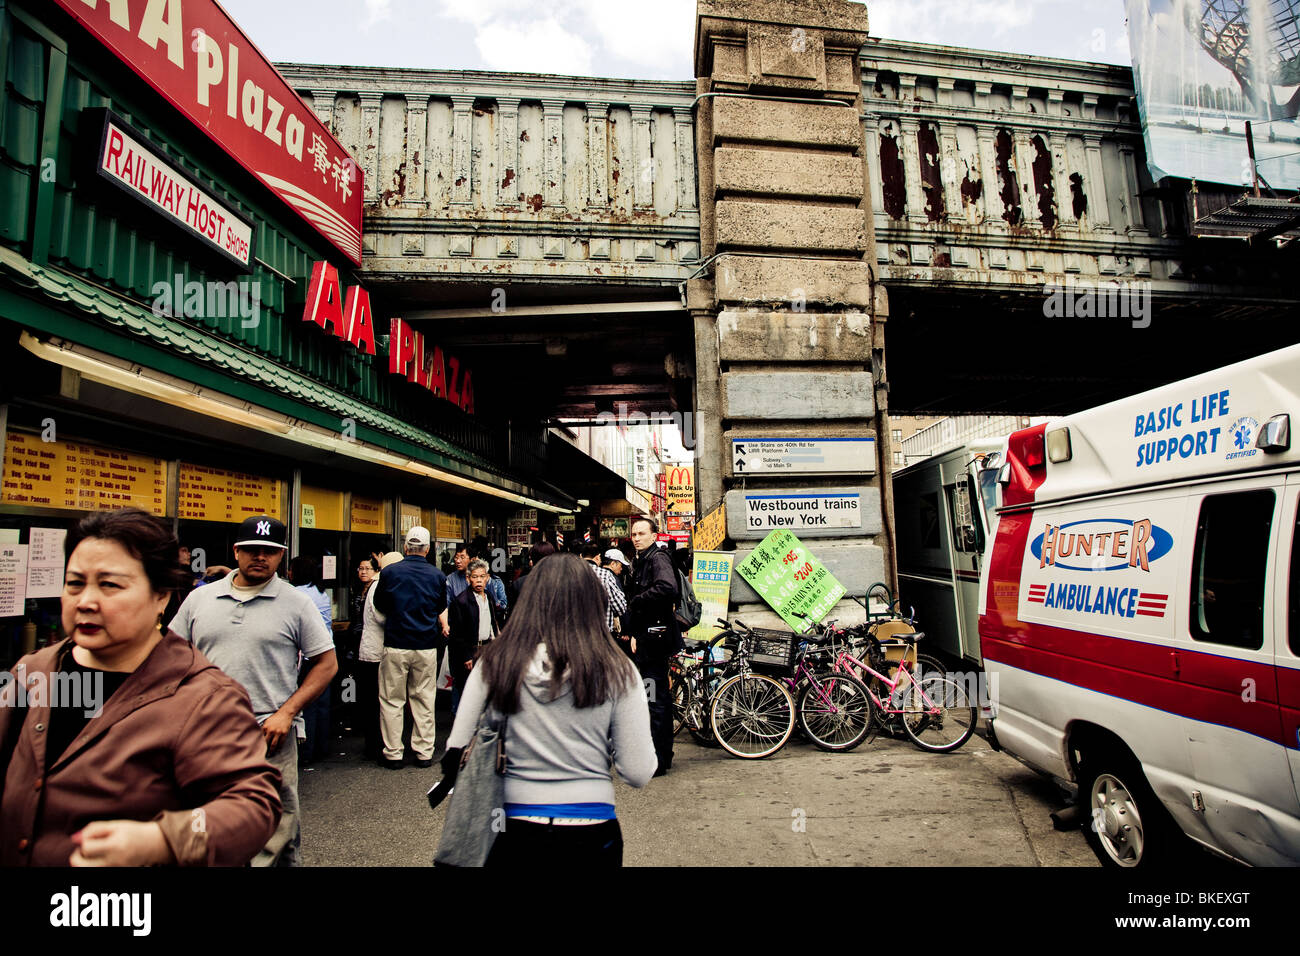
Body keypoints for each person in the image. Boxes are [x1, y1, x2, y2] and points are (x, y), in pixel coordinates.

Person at [0, 508, 281, 866]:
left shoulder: (204, 697)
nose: (85, 600)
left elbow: (253, 804)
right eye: (74, 583)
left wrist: (161, 839)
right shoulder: (33, 671)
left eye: (110, 585)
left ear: (161, 596)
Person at [442, 553, 657, 867]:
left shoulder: (494, 662)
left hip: (510, 826)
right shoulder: (618, 669)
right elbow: (638, 772)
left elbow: (456, 750)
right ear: (592, 602)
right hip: (594, 829)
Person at [169, 514, 337, 867]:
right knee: (209, 822)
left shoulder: (296, 603)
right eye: (251, 549)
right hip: (207, 732)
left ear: (281, 556)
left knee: (276, 829)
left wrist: (287, 713)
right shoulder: (200, 600)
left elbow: (327, 664)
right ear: (236, 552)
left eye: (269, 551)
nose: (259, 556)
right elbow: (169, 658)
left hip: (270, 731)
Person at [372, 526, 447, 769]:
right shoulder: (437, 576)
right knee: (424, 698)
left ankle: (393, 753)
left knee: (392, 700)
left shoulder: (390, 572)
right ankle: (424, 752)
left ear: (405, 547)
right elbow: (439, 607)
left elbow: (380, 604)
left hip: (395, 643)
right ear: (427, 549)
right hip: (426, 645)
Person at [624, 517, 682, 776]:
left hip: (656, 639)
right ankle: (661, 756)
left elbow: (667, 588)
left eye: (641, 533)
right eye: (634, 534)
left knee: (655, 699)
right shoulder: (642, 560)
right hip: (649, 637)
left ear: (653, 535)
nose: (636, 538)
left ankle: (658, 760)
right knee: (656, 698)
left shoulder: (657, 559)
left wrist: (638, 600)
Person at [357, 552, 403, 760]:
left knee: (376, 700)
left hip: (375, 651)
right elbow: (381, 617)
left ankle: (376, 744)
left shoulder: (379, 584)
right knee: (376, 701)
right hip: (374, 653)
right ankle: (375, 746)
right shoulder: (379, 585)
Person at [289, 556, 333, 765]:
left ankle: (306, 751)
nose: (287, 573)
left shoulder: (296, 595)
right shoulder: (321, 593)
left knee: (307, 705)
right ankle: (322, 746)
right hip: (327, 651)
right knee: (322, 703)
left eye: (290, 570)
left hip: (307, 655)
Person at [446, 558, 503, 713]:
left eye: (482, 576)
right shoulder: (461, 601)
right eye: (475, 577)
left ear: (487, 578)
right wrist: (466, 656)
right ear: (468, 578)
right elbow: (457, 634)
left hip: (487, 647)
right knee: (467, 690)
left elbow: (493, 622)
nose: (479, 580)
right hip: (470, 650)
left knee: (486, 687)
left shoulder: (489, 597)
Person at [582, 544, 627, 640]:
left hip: (576, 634)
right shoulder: (604, 575)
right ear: (597, 557)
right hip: (601, 633)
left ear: (581, 556)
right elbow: (620, 607)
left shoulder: (570, 573)